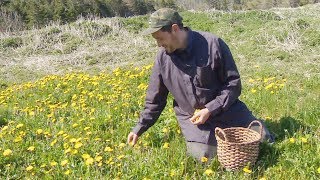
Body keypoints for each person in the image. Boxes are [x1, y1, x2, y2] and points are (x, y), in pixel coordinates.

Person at [127, 8, 273, 161]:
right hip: (193, 118)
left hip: (225, 109)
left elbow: (233, 84)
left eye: (160, 39)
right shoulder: (162, 58)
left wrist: (210, 109)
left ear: (174, 29)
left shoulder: (213, 44)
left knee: (262, 139)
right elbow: (155, 99)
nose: (158, 44)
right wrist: (139, 129)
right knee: (204, 157)